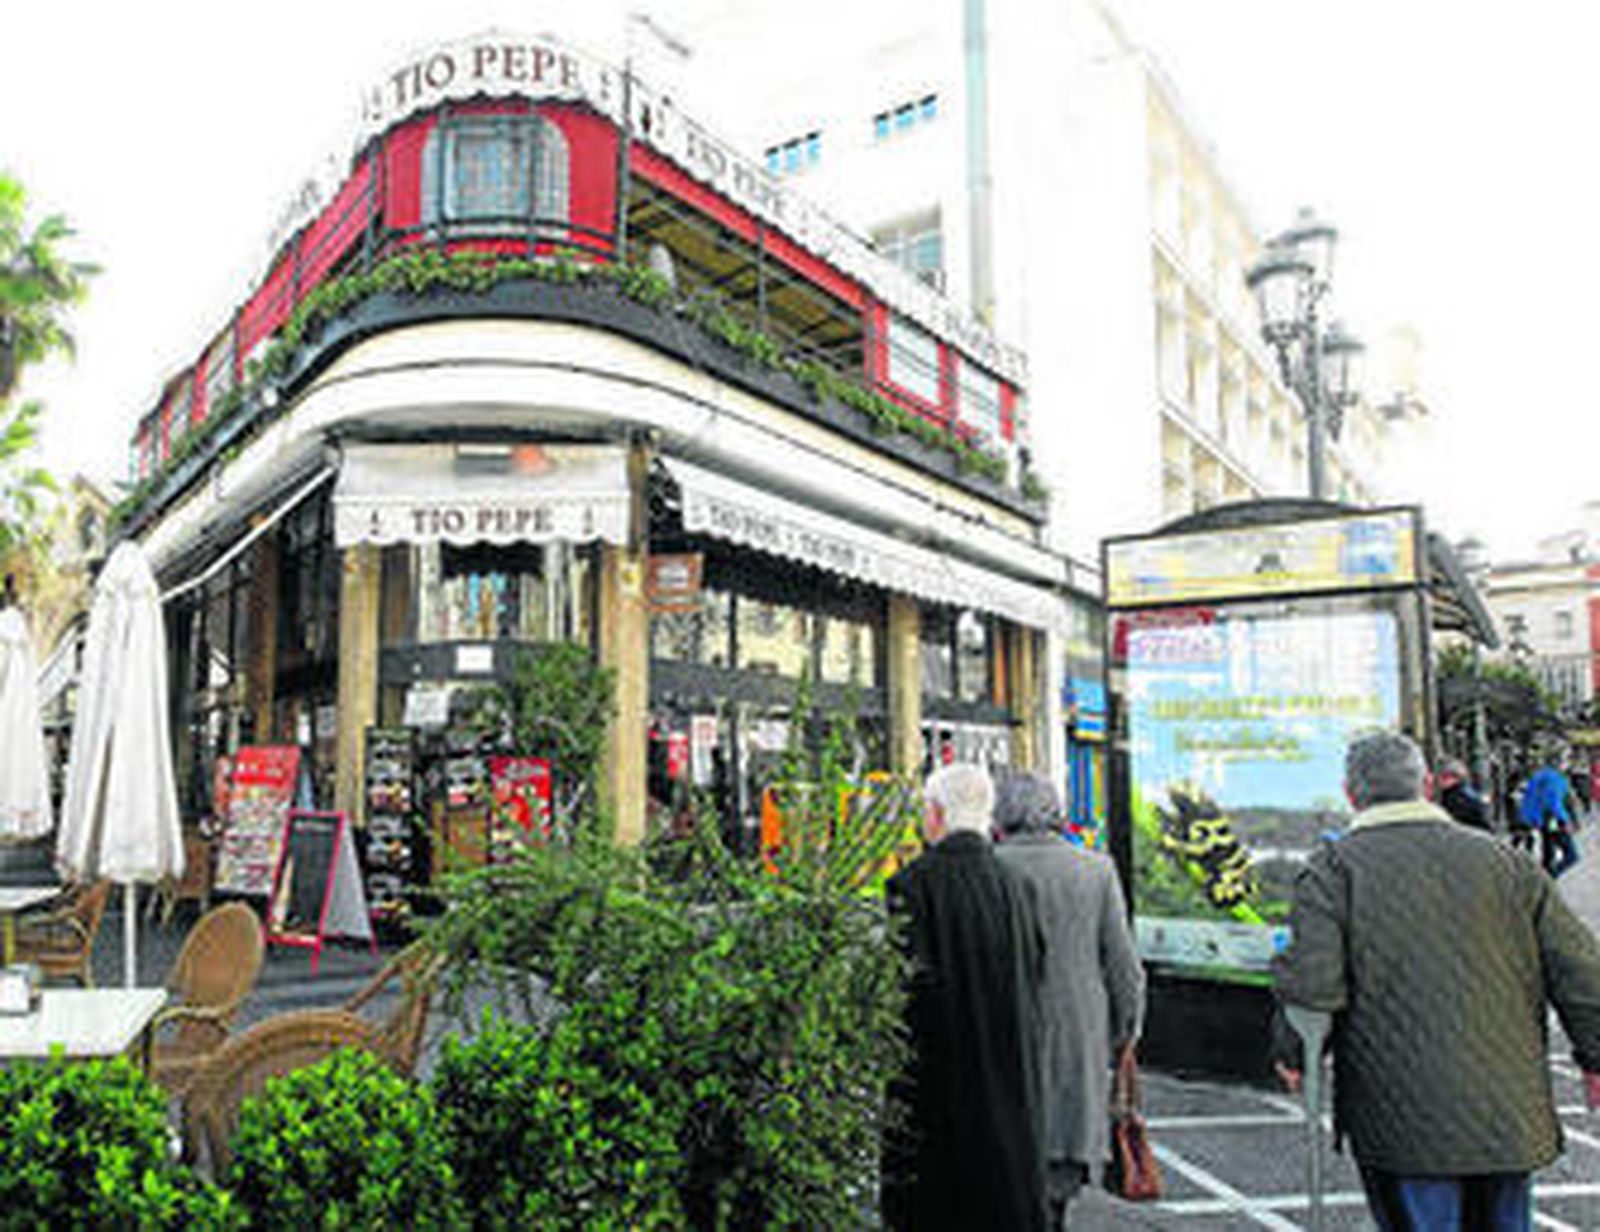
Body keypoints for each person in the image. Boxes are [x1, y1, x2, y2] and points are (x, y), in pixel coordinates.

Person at [1274, 730, 1600, 1231]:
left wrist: (1294, 1054)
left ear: (1350, 794)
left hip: (1399, 1116)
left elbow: (1313, 984)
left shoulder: (1334, 870)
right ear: (1426, 785)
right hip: (1507, 1112)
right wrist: (1594, 1057)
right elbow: (1580, 969)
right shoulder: (1508, 862)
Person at [882, 763, 1048, 1232]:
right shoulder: (1017, 885)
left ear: (935, 814)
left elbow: (901, 993)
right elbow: (1036, 972)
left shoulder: (911, 886)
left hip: (938, 1090)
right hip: (1010, 1083)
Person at [993, 771, 1146, 1229]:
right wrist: (1124, 1035)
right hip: (1075, 1040)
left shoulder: (991, 867)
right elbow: (1124, 968)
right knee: (1059, 1185)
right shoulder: (1096, 870)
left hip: (1005, 1042)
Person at [1521, 753, 1579, 878]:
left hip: (1540, 819)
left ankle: (1543, 878)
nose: (1568, 765)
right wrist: (1564, 820)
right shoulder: (1554, 778)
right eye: (1567, 761)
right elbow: (1553, 802)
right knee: (1572, 855)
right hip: (1552, 820)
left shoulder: (1539, 775)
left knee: (1548, 853)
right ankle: (1550, 877)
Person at [1436, 756, 1492, 832]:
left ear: (1457, 778)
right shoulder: (1450, 793)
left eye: (1446, 777)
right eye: (1440, 776)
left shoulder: (1457, 796)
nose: (1441, 780)